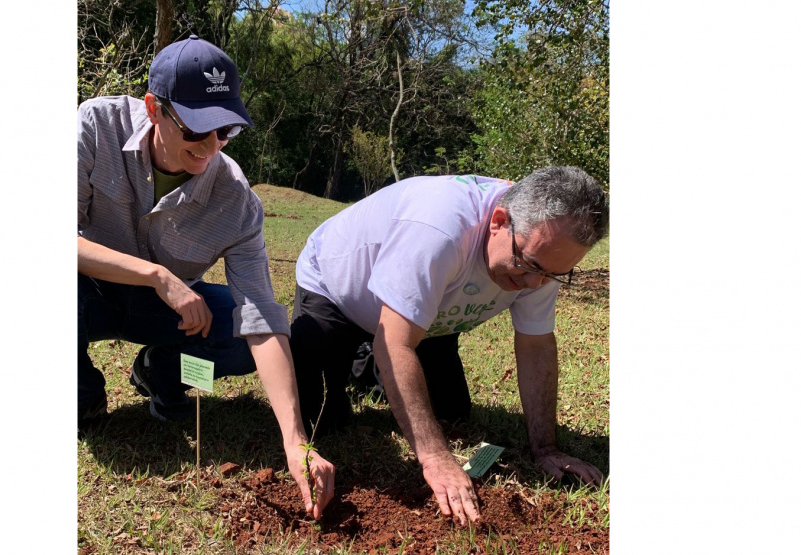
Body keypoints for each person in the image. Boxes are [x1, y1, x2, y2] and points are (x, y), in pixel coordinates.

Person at [77, 36, 334, 519]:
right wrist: (156, 275)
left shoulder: (235, 198)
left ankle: (158, 368)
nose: (211, 146)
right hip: (83, 291)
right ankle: (82, 393)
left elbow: (261, 316)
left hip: (164, 311)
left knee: (242, 341)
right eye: (197, 129)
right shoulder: (97, 125)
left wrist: (296, 440)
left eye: (225, 131)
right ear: (155, 109)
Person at [290, 166, 608, 525]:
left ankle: (364, 362)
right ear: (499, 221)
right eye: (529, 265)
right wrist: (437, 459)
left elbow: (536, 346)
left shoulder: (543, 251)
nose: (535, 284)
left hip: (429, 315)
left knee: (450, 412)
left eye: (552, 274)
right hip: (336, 290)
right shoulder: (439, 229)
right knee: (323, 421)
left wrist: (546, 449)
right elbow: (395, 345)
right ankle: (358, 353)